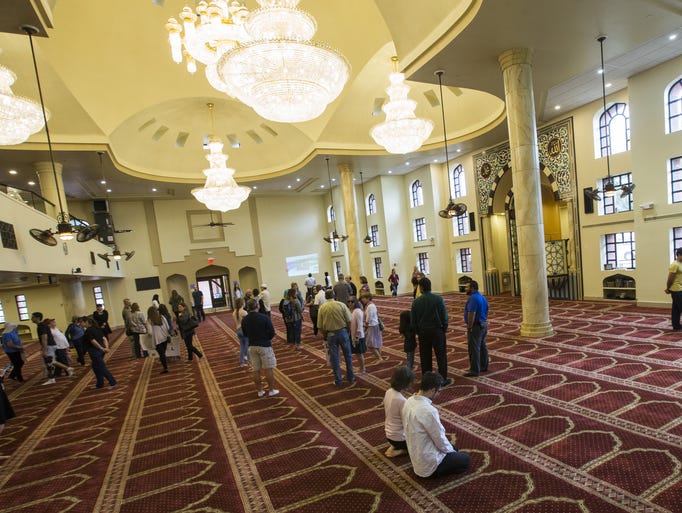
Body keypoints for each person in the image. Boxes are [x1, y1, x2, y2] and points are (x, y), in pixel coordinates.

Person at [402, 372, 471, 478]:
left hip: (417, 456)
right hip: (430, 464)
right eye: (438, 391)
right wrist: (451, 453)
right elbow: (439, 438)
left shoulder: (409, 401)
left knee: (454, 448)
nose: (439, 394)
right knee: (465, 459)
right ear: (432, 390)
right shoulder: (428, 410)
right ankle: (439, 471)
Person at [410, 277, 451, 386]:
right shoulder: (438, 299)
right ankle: (443, 379)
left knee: (425, 357)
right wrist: (444, 328)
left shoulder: (416, 302)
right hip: (437, 331)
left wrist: (418, 331)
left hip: (423, 332)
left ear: (421, 288)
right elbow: (444, 316)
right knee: (441, 356)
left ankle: (427, 380)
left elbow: (413, 321)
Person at [241, 298, 279, 397]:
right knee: (268, 368)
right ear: (257, 306)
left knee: (256, 369)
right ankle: (271, 390)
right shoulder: (264, 317)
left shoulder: (244, 320)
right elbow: (272, 332)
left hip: (252, 346)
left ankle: (260, 391)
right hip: (264, 345)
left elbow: (245, 334)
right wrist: (266, 338)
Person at [317, 289, 355, 387]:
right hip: (343, 332)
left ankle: (338, 380)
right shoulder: (341, 305)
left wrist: (325, 335)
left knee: (335, 358)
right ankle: (351, 377)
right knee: (348, 356)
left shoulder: (322, 308)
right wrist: (348, 330)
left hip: (331, 335)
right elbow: (349, 320)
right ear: (334, 295)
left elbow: (320, 326)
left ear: (326, 297)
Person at [31, 312, 73, 385]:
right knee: (49, 362)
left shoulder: (41, 326)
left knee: (50, 361)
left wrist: (44, 350)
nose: (31, 319)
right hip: (50, 345)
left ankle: (67, 369)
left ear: (37, 318)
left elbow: (44, 338)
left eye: (33, 317)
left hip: (49, 346)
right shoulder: (42, 325)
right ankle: (53, 377)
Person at [383, 366, 415, 457]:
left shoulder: (389, 391)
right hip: (399, 438)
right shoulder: (401, 400)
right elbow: (408, 422)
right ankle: (401, 450)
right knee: (425, 443)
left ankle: (395, 446)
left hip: (389, 435)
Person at [80, 316, 117, 390]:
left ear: (86, 322)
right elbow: (104, 338)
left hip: (95, 351)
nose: (80, 324)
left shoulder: (89, 331)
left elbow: (93, 341)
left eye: (81, 322)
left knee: (101, 367)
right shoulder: (97, 328)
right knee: (95, 367)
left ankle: (113, 382)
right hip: (100, 350)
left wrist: (102, 348)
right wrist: (106, 347)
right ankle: (99, 384)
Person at [463, 280, 489, 377]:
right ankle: (483, 365)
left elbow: (471, 314)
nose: (465, 289)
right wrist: (483, 320)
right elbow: (487, 311)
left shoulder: (473, 298)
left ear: (472, 288)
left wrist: (470, 327)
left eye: (467, 287)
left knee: (474, 349)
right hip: (483, 324)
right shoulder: (482, 297)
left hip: (476, 326)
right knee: (482, 346)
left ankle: (474, 370)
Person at [148, 306, 171, 374]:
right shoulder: (162, 317)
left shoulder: (150, 320)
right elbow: (168, 327)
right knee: (163, 353)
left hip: (157, 339)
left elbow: (150, 332)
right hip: (164, 337)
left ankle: (165, 367)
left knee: (161, 354)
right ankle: (164, 364)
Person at [361, 292, 383, 361]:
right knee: (376, 342)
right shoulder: (370, 305)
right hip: (374, 325)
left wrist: (366, 325)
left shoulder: (370, 306)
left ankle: (379, 357)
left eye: (363, 298)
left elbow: (369, 317)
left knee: (370, 344)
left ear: (368, 298)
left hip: (372, 326)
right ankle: (379, 357)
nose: (362, 300)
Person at [665, 247, 682, 331]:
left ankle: (676, 326)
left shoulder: (680, 264)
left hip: (680, 288)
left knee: (676, 308)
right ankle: (676, 325)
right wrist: (668, 288)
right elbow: (670, 278)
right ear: (678, 255)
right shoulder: (674, 265)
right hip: (676, 289)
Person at [348, 296, 366, 373]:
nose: (350, 303)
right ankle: (361, 367)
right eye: (348, 301)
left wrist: (356, 337)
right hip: (353, 335)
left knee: (359, 354)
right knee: (357, 353)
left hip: (358, 336)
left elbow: (359, 325)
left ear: (355, 302)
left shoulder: (357, 311)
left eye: (352, 302)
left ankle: (363, 368)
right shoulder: (352, 311)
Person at [233, 297, 250, 368]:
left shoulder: (234, 312)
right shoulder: (244, 312)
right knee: (247, 346)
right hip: (243, 330)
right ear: (242, 304)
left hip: (238, 330)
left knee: (242, 346)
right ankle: (249, 360)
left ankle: (241, 361)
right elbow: (248, 321)